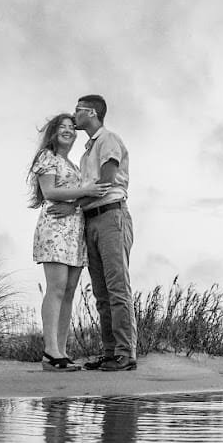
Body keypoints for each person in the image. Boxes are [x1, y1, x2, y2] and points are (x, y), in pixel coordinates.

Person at [48, 94, 135, 371]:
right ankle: (110, 353)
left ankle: (125, 353)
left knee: (117, 288)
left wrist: (72, 206)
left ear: (93, 113)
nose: (74, 116)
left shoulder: (108, 139)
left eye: (78, 110)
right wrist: (78, 209)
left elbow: (107, 182)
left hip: (111, 216)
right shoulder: (86, 152)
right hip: (92, 221)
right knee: (101, 292)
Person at [28, 112, 110, 371]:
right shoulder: (47, 158)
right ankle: (50, 352)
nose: (67, 130)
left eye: (70, 127)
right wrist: (85, 191)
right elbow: (50, 192)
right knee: (56, 288)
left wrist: (80, 198)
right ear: (52, 133)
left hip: (75, 231)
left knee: (69, 291)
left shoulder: (73, 165)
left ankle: (60, 351)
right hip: (54, 229)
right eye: (61, 127)